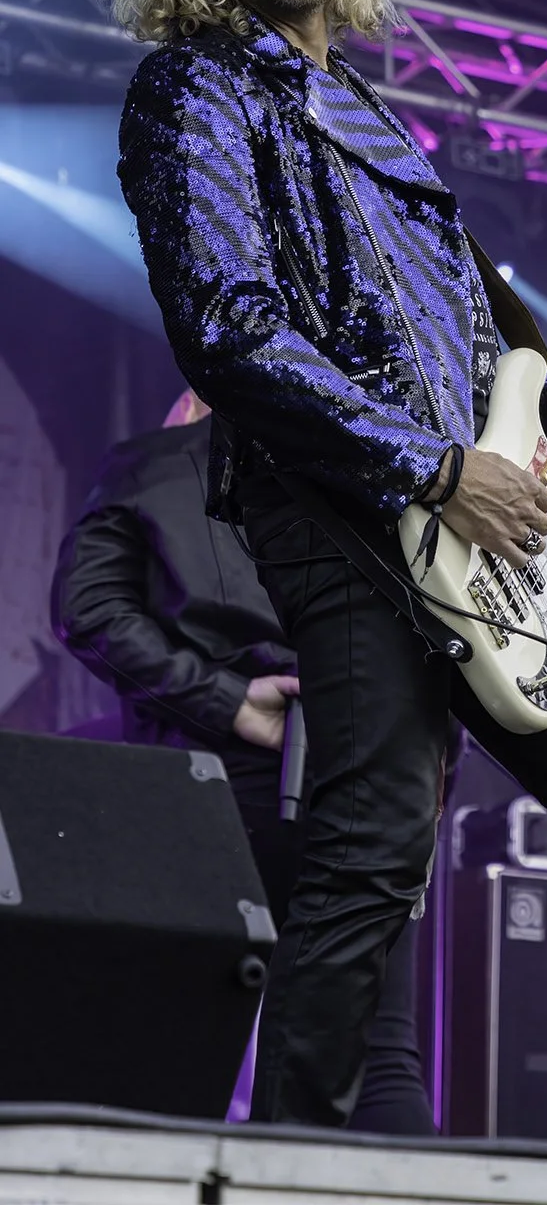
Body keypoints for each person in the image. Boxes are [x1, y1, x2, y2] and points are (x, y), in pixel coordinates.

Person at [113, 0, 547, 1146]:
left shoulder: (379, 117)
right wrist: (430, 472)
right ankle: (293, 1171)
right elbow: (230, 328)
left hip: (478, 528)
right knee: (372, 852)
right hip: (344, 517)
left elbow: (481, 374)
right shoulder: (194, 92)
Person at [51, 387, 437, 1135]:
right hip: (370, 763)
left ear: (197, 402)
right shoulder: (374, 465)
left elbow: (88, 609)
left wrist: (225, 699)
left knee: (173, 1037)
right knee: (378, 1052)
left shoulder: (156, 460)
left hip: (215, 779)